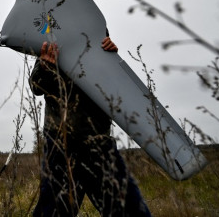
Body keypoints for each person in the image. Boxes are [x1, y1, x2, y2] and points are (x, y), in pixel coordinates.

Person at [30, 35, 151, 217]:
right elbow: (37, 86)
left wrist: (112, 60)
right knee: (52, 212)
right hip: (60, 142)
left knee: (131, 211)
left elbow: (115, 89)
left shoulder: (99, 40)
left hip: (98, 141)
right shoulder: (52, 39)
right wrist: (45, 67)